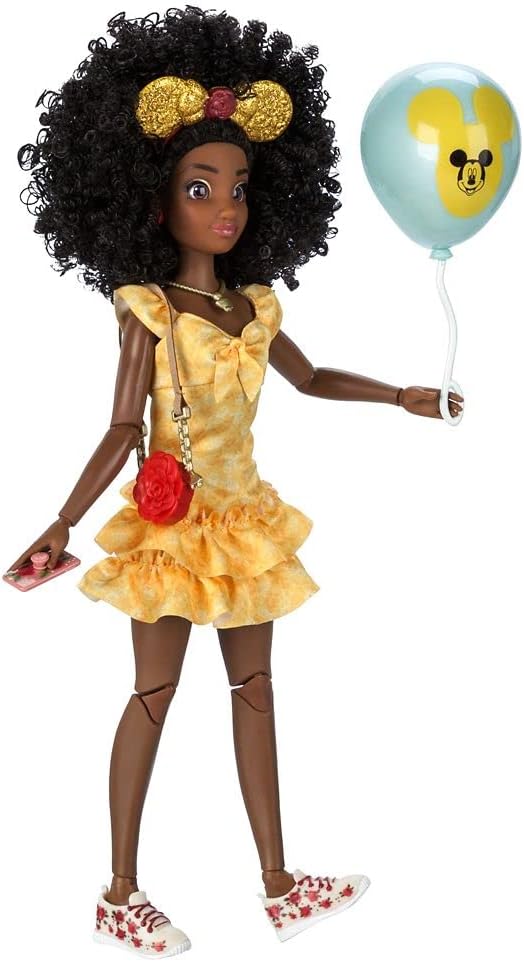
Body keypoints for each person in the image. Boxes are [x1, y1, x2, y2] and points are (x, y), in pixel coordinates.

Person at [9, 7, 462, 956]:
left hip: (244, 520)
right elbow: (120, 429)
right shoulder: (151, 310)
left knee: (255, 687)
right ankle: (119, 892)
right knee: (153, 694)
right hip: (171, 525)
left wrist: (400, 395)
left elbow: (309, 377)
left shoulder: (249, 305)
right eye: (201, 187)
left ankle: (280, 885)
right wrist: (61, 522)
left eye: (240, 188)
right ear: (151, 201)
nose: (227, 207)